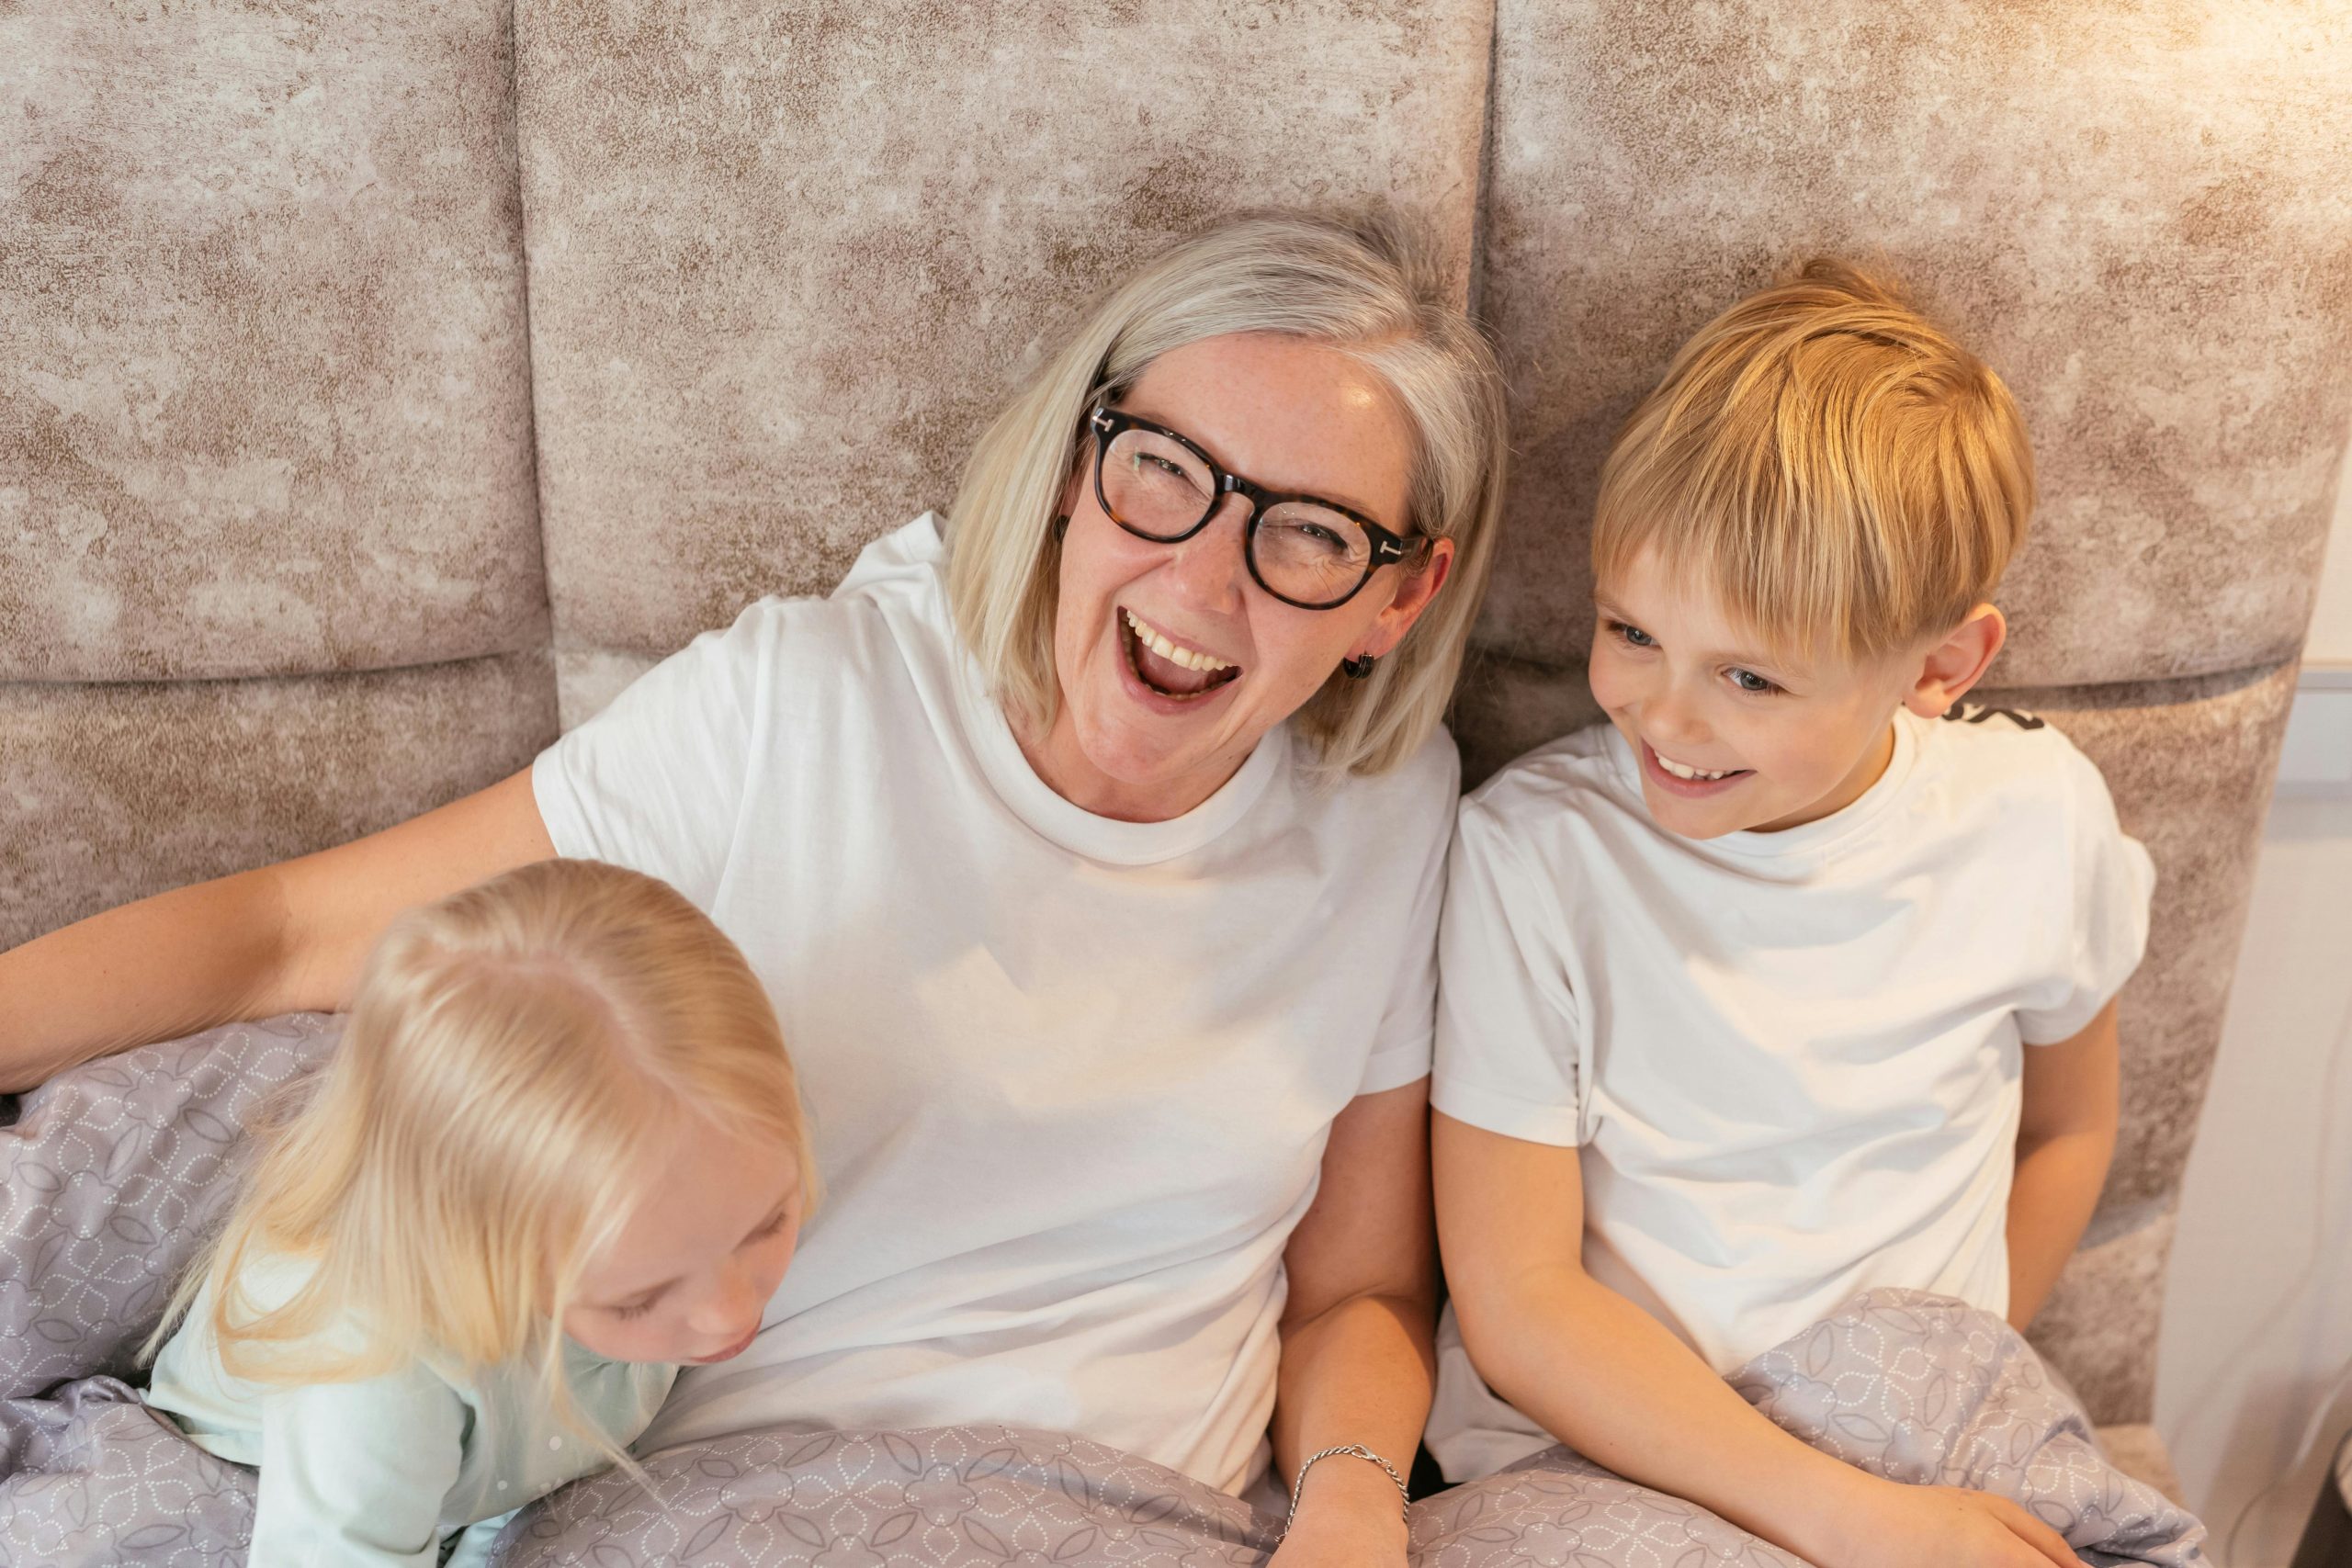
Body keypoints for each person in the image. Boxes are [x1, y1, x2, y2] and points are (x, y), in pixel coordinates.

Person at [0, 209, 1509, 1566]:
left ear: (1399, 594)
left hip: (1122, 1504)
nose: (1200, 576)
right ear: (1073, 466)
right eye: (1165, 473)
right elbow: (293, 936)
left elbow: (1360, 1289)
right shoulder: (808, 704)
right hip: (702, 1507)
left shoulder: (1390, 814)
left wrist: (1354, 1503)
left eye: (1307, 533)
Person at [1426, 261, 2153, 1568]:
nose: (1663, 712)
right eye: (1629, 629)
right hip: (1614, 1455)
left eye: (1750, 675)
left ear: (1941, 666)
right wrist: (1844, 1514)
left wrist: (1954, 1375)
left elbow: (2070, 1123)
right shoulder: (1534, 858)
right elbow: (1520, 1304)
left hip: (1928, 1419)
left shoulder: (2034, 815)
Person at [140, 859, 813, 1566]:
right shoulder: (377, 1365)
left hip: (481, 1490)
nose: (733, 1313)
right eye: (640, 1299)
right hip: (251, 1489)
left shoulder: (717, 1139)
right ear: (484, 1251)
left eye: (766, 1223)